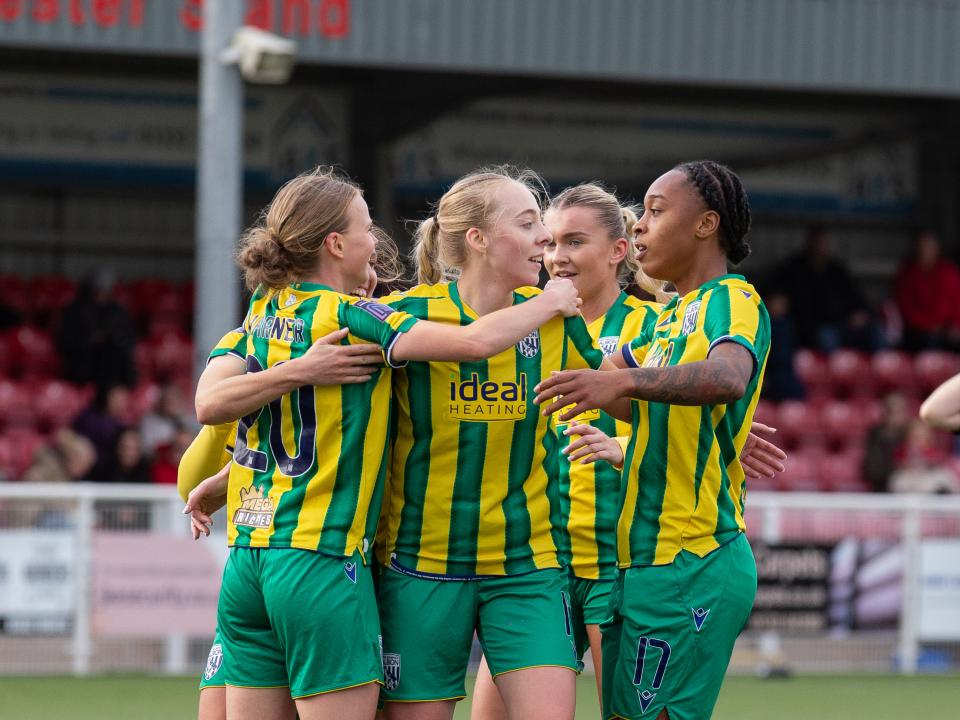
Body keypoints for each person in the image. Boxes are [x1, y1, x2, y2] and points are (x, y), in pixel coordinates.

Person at [187, 166, 582, 720]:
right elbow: (471, 343)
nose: (376, 242)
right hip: (320, 558)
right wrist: (550, 300)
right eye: (367, 229)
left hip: (249, 554)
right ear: (335, 242)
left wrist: (230, 479)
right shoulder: (357, 317)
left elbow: (218, 405)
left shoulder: (263, 310)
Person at [534, 160, 770, 720]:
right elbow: (604, 385)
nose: (639, 224)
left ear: (706, 225)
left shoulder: (730, 299)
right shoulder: (667, 320)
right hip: (638, 563)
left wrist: (619, 379)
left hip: (691, 555)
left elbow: (728, 377)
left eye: (656, 212)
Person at [777, 226, 881, 353]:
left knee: (875, 334)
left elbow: (857, 299)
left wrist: (860, 313)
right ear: (809, 245)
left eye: (825, 244)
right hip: (811, 330)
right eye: (818, 244)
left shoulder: (837, 271)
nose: (821, 248)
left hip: (843, 326)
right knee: (827, 338)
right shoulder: (795, 270)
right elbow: (779, 298)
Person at [894, 229, 960, 351]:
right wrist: (929, 325)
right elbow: (907, 309)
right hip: (920, 330)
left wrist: (956, 325)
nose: (925, 251)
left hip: (948, 327)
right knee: (928, 340)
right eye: (922, 247)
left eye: (930, 247)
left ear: (937, 249)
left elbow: (957, 302)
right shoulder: (908, 274)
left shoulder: (948, 272)